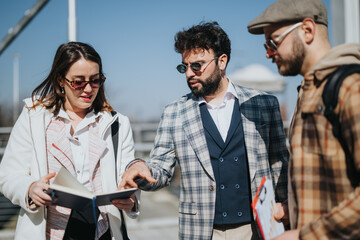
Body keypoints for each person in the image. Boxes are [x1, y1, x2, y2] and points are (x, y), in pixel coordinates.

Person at [119, 22, 289, 240]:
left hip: (257, 227)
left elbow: (278, 163)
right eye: (184, 67)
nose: (189, 73)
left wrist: (286, 209)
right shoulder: (174, 112)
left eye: (197, 66)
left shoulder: (263, 104)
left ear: (222, 61)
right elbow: (161, 169)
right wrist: (141, 169)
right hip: (201, 230)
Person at [0, 42, 139, 240]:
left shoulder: (118, 124)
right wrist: (30, 189)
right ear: (60, 81)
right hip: (48, 231)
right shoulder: (34, 118)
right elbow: (8, 175)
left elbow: (127, 178)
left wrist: (131, 199)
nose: (88, 89)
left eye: (95, 80)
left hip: (103, 231)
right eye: (79, 82)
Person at [248, 0, 360, 239]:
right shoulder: (307, 91)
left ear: (307, 30)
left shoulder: (351, 87)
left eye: (273, 42)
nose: (268, 53)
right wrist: (294, 209)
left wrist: (305, 235)